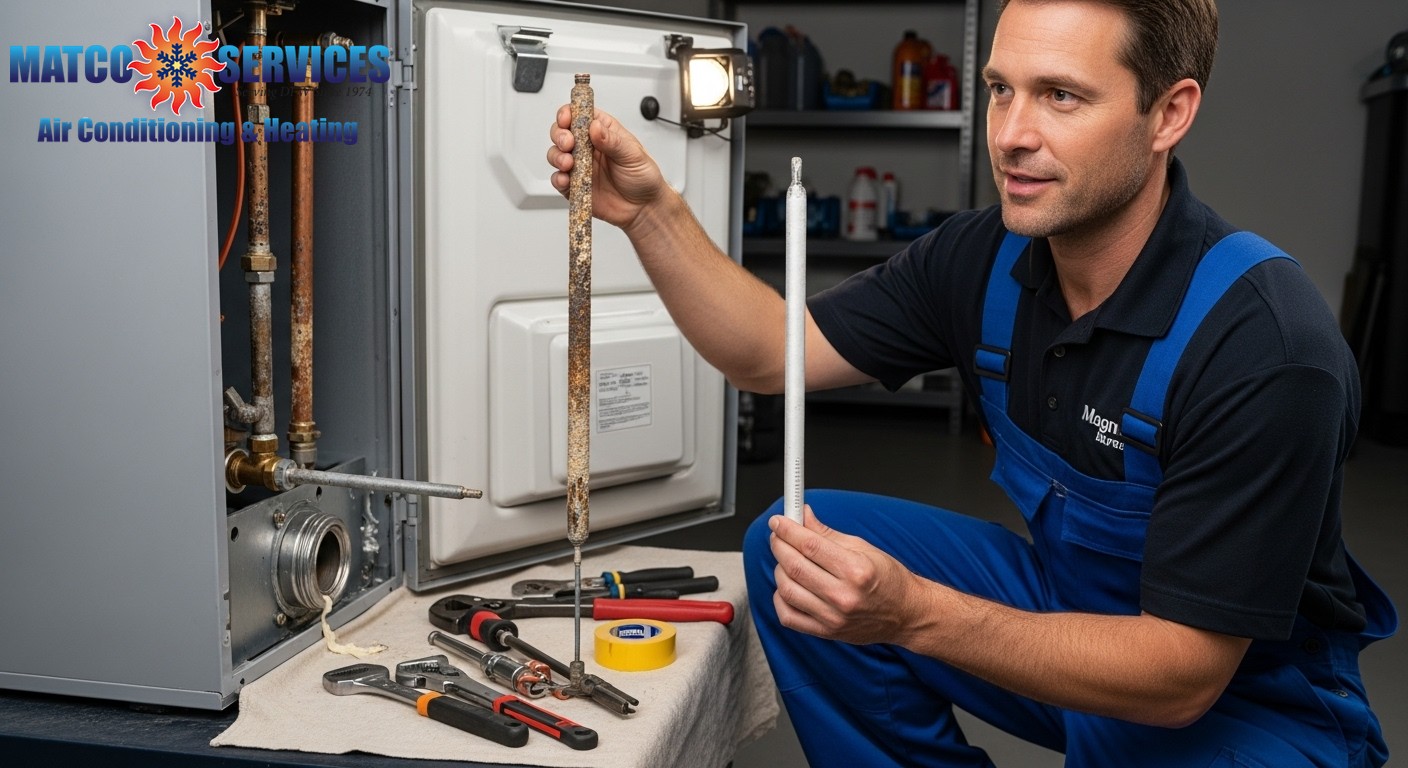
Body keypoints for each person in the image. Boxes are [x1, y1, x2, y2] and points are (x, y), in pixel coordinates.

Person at [546, 0, 1396, 764]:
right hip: (1068, 615)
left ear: (1168, 114)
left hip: (1243, 707)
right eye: (1000, 89)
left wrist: (915, 612)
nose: (1011, 133)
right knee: (799, 548)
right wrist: (650, 213)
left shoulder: (1265, 344)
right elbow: (774, 352)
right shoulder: (984, 255)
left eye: (1062, 96)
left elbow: (1179, 681)